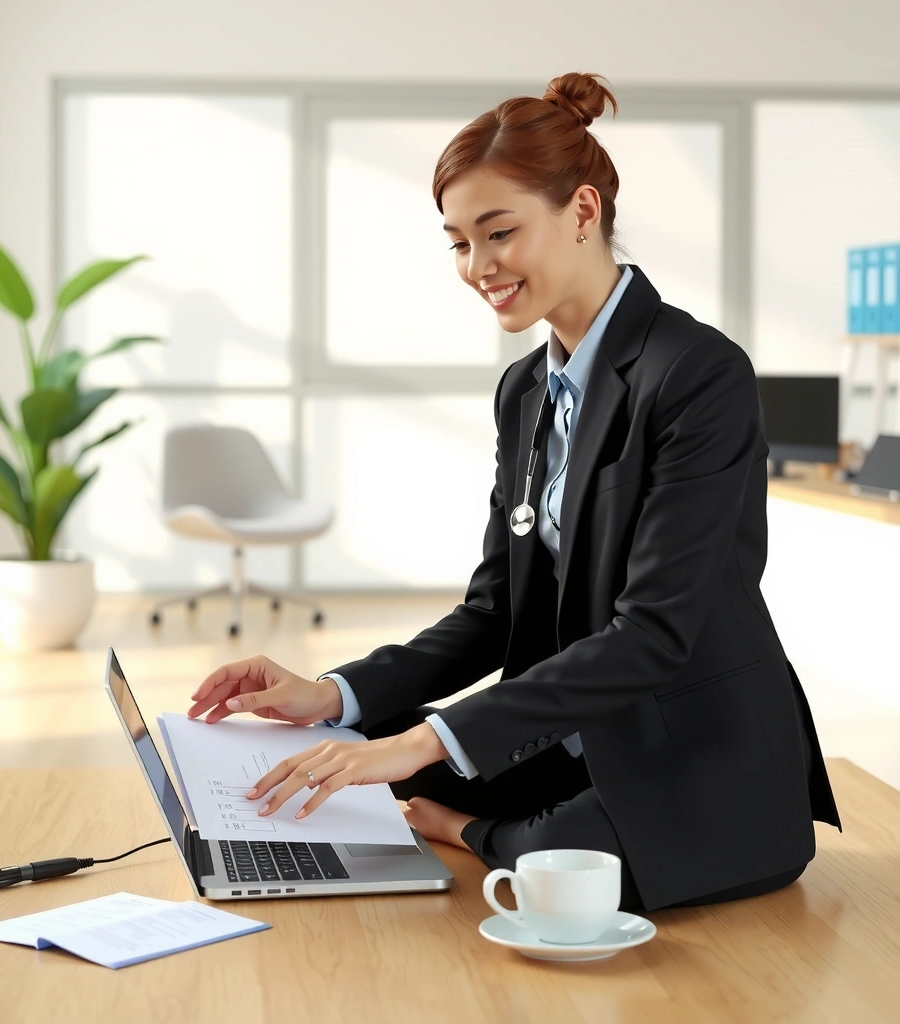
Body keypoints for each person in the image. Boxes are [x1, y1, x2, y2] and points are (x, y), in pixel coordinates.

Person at [187, 70, 842, 913]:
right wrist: (330, 694)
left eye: (498, 233)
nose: (478, 267)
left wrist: (427, 742)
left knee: (534, 854)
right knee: (351, 741)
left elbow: (652, 635)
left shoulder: (697, 374)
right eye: (459, 242)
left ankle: (473, 830)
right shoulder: (527, 391)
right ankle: (467, 812)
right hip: (575, 732)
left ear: (582, 210)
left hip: (697, 750)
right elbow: (494, 610)